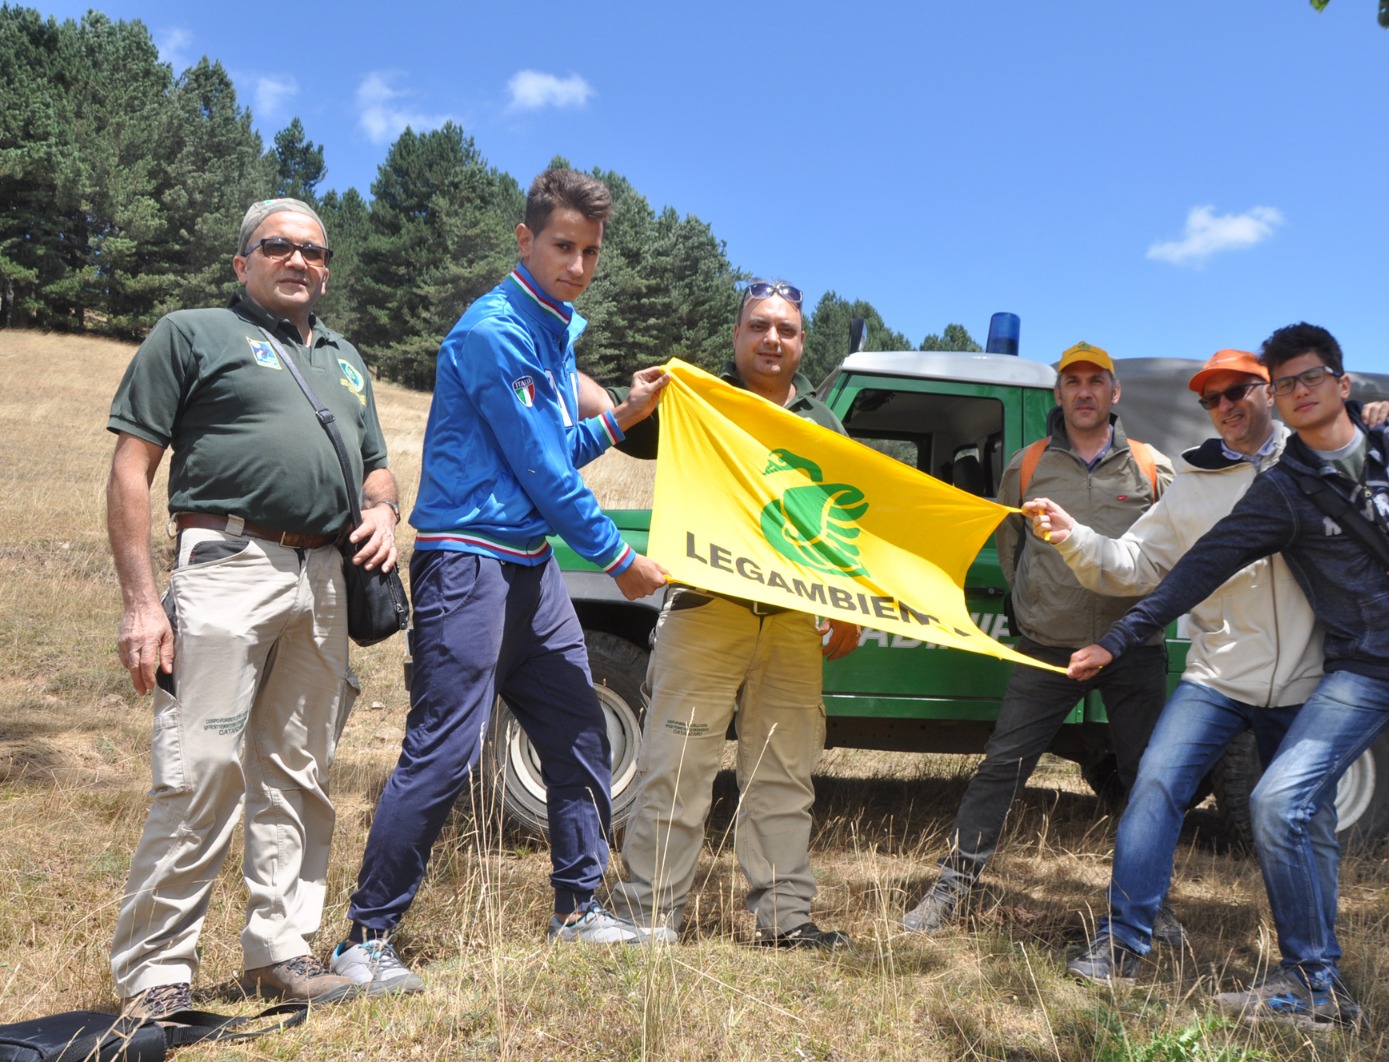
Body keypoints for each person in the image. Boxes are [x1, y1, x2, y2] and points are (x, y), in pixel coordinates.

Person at [1067, 324, 1389, 1058]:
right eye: (1285, 383)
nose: (1296, 392)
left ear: (1343, 382)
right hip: (1360, 673)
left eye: (1308, 379)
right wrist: (1116, 640)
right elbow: (1196, 568)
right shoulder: (1285, 490)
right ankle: (1314, 983)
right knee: (1274, 801)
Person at [329, 168, 670, 995]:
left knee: (579, 734)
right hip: (466, 564)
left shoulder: (555, 333)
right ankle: (365, 940)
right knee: (444, 752)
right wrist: (621, 562)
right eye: (563, 246)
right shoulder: (495, 331)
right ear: (525, 241)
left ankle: (576, 911)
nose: (579, 265)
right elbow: (549, 478)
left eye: (590, 251)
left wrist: (621, 418)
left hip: (529, 568)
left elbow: (553, 451)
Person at [106, 198, 398, 1017]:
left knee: (300, 771)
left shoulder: (346, 359)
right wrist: (140, 604)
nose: (299, 260)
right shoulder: (191, 332)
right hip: (227, 561)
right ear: (243, 263)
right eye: (278, 247)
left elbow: (377, 469)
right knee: (201, 766)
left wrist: (383, 511)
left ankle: (281, 948)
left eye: (314, 250)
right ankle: (157, 969)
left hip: (326, 579)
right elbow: (133, 469)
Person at [1026, 350, 1389, 987]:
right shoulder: (1195, 482)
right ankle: (1123, 944)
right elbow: (1134, 562)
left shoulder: (1319, 460)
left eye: (1238, 392)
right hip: (1218, 677)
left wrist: (1385, 429)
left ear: (1270, 392)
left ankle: (1312, 972)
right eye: (1212, 398)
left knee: (1309, 819)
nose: (1225, 406)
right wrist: (1072, 536)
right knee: (1154, 785)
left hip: (1311, 679)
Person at [609, 279, 862, 948]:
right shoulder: (695, 400)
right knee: (676, 766)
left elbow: (842, 519)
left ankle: (785, 920)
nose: (771, 338)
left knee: (784, 774)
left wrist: (850, 608)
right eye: (759, 326)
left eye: (785, 329)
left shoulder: (822, 423)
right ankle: (647, 915)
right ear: (736, 335)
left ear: (803, 342)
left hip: (790, 625)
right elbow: (626, 434)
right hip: (704, 613)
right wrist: (634, 403)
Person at [901, 342, 1174, 932]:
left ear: (1114, 392)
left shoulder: (1152, 468)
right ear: (1059, 394)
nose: (1083, 391)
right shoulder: (1026, 466)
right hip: (1048, 650)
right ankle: (951, 890)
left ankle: (1153, 907)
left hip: (1133, 648)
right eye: (1071, 381)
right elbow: (1011, 549)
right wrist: (1036, 609)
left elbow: (1173, 553)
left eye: (1094, 381)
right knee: (1003, 767)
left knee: (1146, 780)